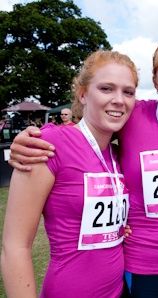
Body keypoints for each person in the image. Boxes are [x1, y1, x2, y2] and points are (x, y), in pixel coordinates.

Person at [7, 36, 158, 298]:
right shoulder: (133, 117)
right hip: (142, 271)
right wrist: (30, 138)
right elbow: (83, 134)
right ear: (155, 81)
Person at [1, 50, 138, 297]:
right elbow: (15, 247)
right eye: (106, 89)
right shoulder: (47, 144)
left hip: (118, 291)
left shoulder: (117, 155)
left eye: (128, 91)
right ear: (83, 94)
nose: (119, 99)